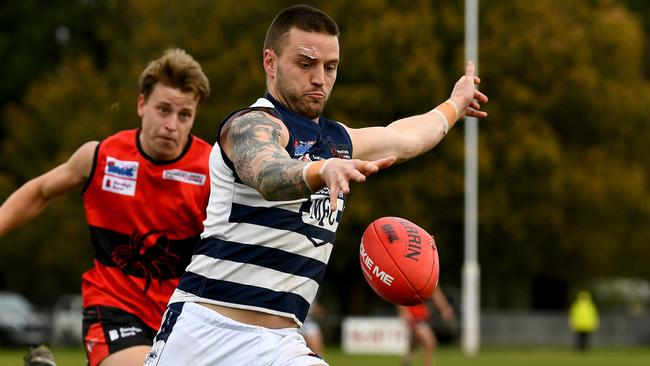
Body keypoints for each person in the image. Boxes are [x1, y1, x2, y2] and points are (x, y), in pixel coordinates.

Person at [144, 4, 487, 366]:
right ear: (270, 63)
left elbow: (404, 137)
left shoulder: (336, 142)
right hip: (206, 334)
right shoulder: (251, 125)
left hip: (281, 343)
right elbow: (269, 174)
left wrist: (454, 104)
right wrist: (320, 171)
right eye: (306, 64)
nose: (320, 78)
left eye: (330, 67)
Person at [0, 48, 211, 366]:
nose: (172, 124)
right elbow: (39, 191)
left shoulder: (211, 170)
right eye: (163, 110)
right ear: (142, 105)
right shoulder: (101, 157)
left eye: (184, 115)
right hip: (113, 308)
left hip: (183, 316)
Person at [398, 288, 455, 366]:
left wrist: (444, 308)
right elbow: (399, 292)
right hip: (414, 317)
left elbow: (436, 293)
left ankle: (406, 361)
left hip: (421, 316)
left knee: (415, 342)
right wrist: (403, 311)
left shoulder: (427, 277)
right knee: (430, 342)